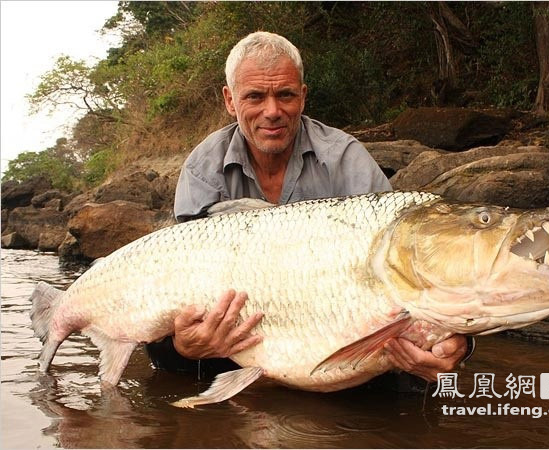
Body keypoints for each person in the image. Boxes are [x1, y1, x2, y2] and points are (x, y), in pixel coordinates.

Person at [147, 31, 471, 387]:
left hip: (337, 326)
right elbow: (177, 279)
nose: (272, 112)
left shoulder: (345, 158)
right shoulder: (202, 168)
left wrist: (457, 341)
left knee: (410, 374)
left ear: (302, 96)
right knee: (166, 357)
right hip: (240, 333)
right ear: (229, 100)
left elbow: (409, 271)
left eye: (285, 95)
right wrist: (184, 345)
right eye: (255, 96)